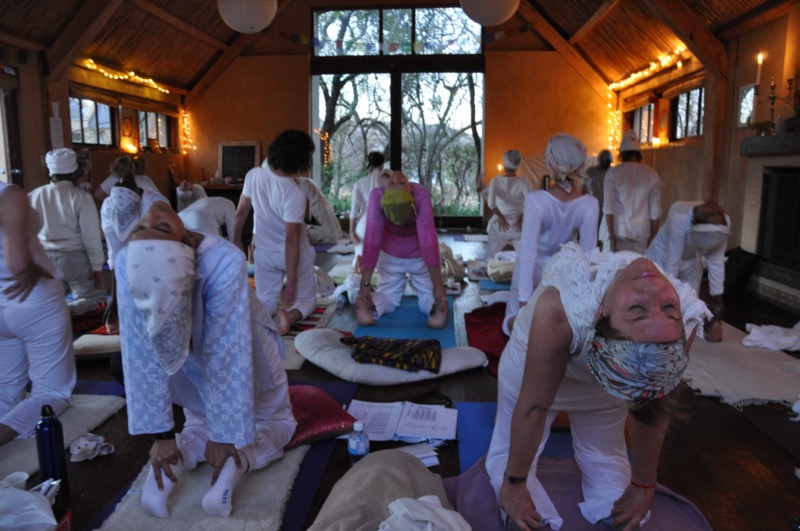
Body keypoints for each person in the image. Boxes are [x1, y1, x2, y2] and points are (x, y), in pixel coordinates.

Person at [486, 243, 710, 531]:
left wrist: (643, 484)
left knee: (606, 466)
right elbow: (534, 406)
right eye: (639, 310)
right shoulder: (561, 307)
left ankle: (615, 511)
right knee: (508, 461)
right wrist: (515, 483)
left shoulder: (681, 324)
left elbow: (651, 405)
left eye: (668, 307)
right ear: (599, 313)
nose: (654, 291)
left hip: (606, 385)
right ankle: (521, 516)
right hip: (530, 365)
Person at [116, 201, 296, 518]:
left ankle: (177, 460)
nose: (152, 214)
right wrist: (214, 438)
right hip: (214, 347)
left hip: (210, 351)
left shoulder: (127, 257)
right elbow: (143, 346)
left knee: (199, 421)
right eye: (156, 227)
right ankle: (237, 463)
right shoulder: (222, 257)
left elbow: (143, 351)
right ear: (185, 241)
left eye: (151, 225)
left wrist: (205, 435)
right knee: (276, 421)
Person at [0, 182, 75, 445]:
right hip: (32, 301)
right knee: (51, 393)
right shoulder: (9, 195)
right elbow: (18, 264)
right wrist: (34, 269)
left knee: (5, 389)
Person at [503, 134, 599, 335]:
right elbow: (588, 259)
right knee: (553, 326)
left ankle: (522, 326)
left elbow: (528, 253)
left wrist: (524, 303)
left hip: (535, 272)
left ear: (550, 164)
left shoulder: (536, 200)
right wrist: (586, 301)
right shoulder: (590, 204)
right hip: (562, 274)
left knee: (514, 325)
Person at [233, 129, 317, 335]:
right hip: (293, 254)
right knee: (306, 299)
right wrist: (292, 283)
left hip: (264, 253)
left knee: (266, 298)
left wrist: (236, 240)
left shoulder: (253, 175)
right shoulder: (294, 194)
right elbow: (291, 241)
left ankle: (249, 318)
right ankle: (290, 316)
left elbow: (240, 213)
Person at [355, 170, 448, 329]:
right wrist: (438, 287)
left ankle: (367, 307)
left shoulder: (377, 195)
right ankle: (437, 308)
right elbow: (428, 240)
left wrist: (364, 287)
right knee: (428, 294)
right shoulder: (420, 194)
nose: (396, 178)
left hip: (394, 258)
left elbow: (372, 240)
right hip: (416, 258)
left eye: (400, 183)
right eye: (392, 183)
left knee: (388, 296)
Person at [28, 148, 106, 315]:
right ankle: (66, 311)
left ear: (50, 172)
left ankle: (52, 314)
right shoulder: (81, 197)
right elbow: (91, 235)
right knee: (95, 298)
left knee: (50, 298)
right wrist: (96, 265)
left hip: (44, 257)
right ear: (75, 173)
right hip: (75, 258)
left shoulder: (34, 195)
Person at [100, 155, 169, 333]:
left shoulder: (156, 204)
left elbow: (170, 246)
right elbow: (115, 254)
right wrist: (114, 299)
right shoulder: (108, 207)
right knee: (129, 326)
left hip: (158, 268)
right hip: (126, 272)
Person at [646, 199, 730, 343]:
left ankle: (685, 329)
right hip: (662, 256)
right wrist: (668, 304)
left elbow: (716, 264)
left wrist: (717, 314)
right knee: (656, 300)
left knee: (690, 304)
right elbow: (672, 265)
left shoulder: (723, 223)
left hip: (691, 258)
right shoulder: (679, 219)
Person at [601, 130, 662, 254]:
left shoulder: (613, 173)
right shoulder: (652, 175)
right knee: (638, 265)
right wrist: (653, 236)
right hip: (641, 234)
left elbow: (609, 208)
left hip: (617, 230)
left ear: (621, 154)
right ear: (639, 154)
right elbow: (655, 212)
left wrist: (611, 237)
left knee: (614, 266)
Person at [485, 149, 531, 260]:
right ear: (517, 166)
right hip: (518, 226)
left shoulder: (495, 181)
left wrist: (501, 217)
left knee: (490, 257)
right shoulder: (524, 182)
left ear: (504, 165)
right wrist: (520, 217)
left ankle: (491, 268)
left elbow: (491, 204)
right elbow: (531, 203)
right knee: (524, 258)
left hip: (500, 226)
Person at [350, 151, 388, 272]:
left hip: (363, 226)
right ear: (382, 164)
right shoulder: (388, 182)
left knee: (361, 257)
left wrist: (351, 231)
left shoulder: (359, 183)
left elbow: (354, 209)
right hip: (383, 224)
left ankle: (359, 263)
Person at [294, 176, 343, 244]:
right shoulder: (302, 182)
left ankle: (303, 230)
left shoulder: (304, 181)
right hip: (319, 205)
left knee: (338, 235)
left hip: (322, 203)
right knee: (333, 236)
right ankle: (301, 231)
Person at [94, 154, 159, 206]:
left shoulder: (113, 178)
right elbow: (158, 198)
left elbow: (98, 194)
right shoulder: (144, 180)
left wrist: (114, 203)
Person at [585, 149, 613, 229]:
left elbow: (584, 188)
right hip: (602, 206)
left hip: (602, 206)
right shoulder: (613, 172)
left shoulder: (591, 171)